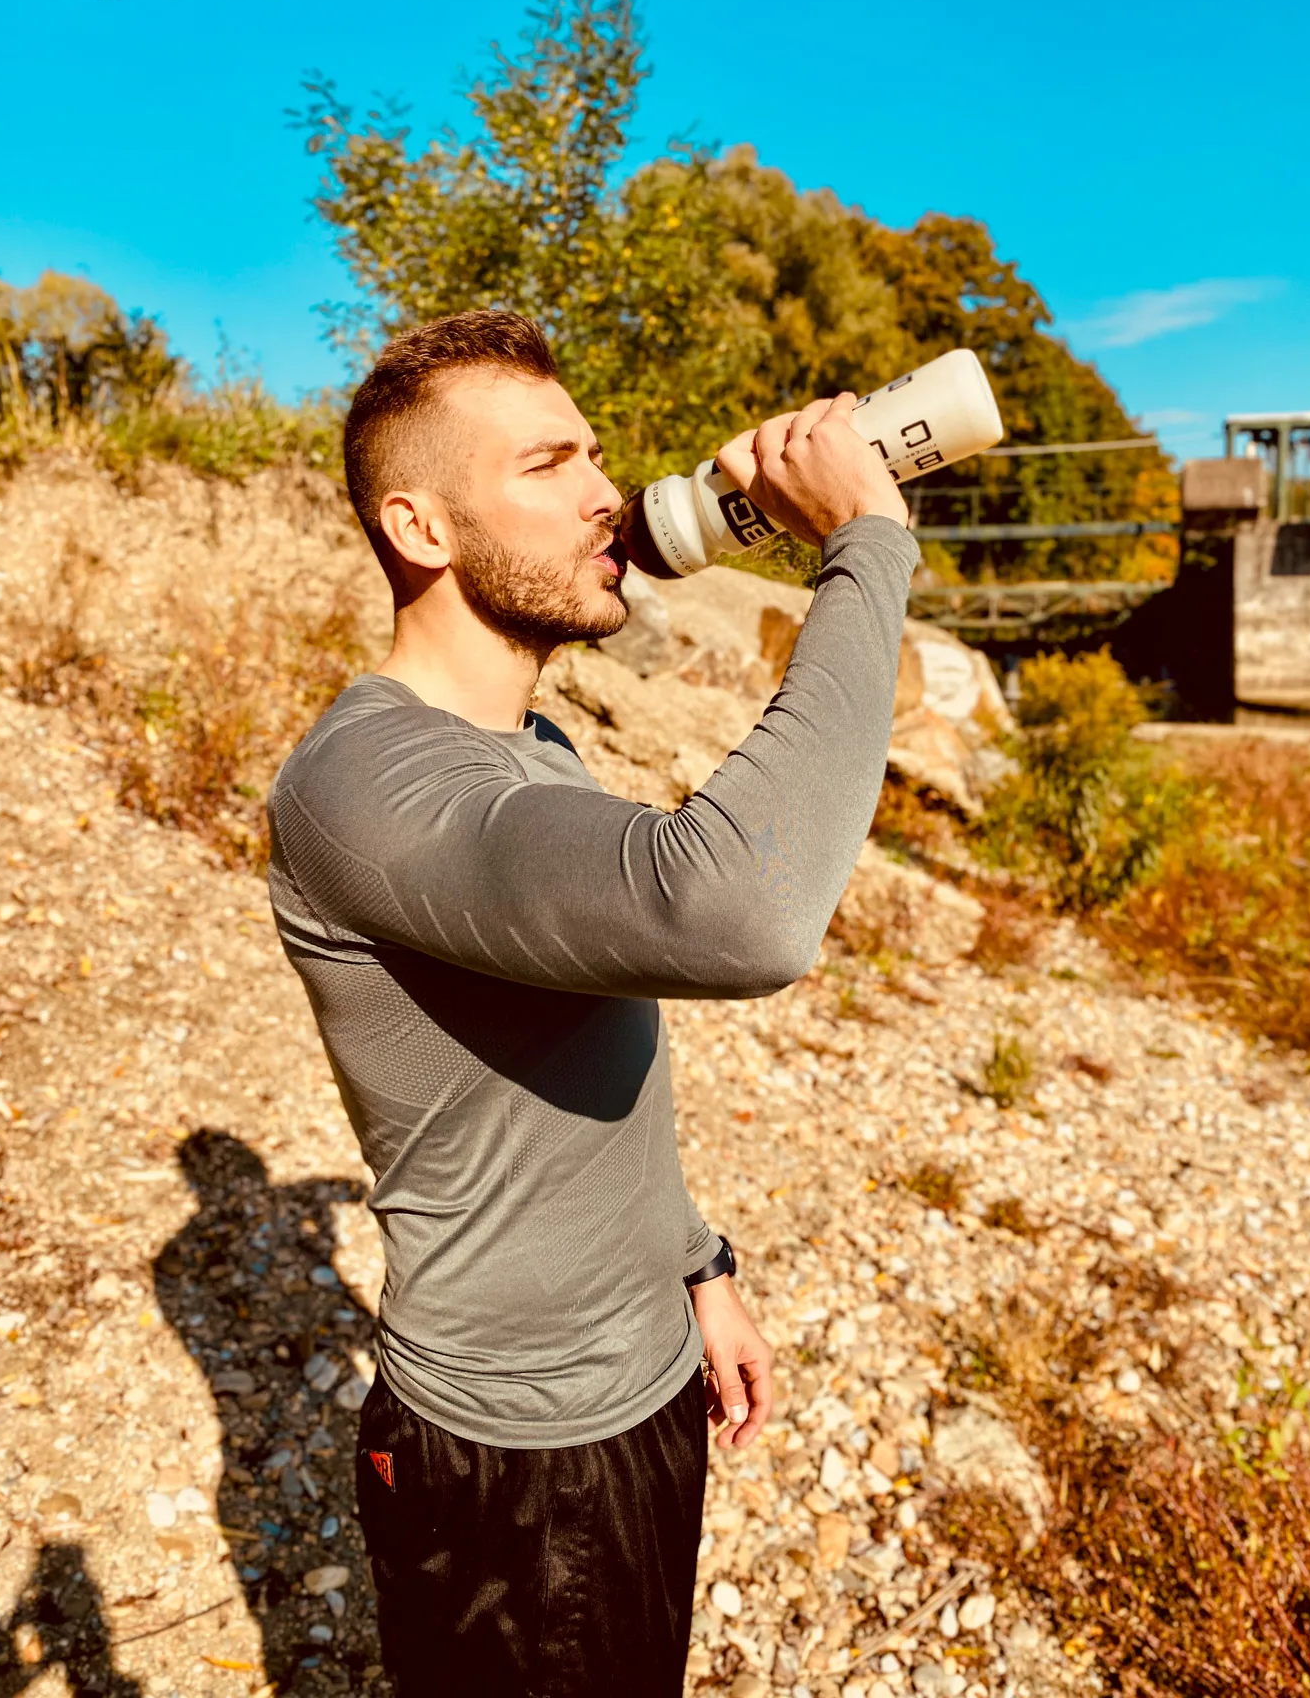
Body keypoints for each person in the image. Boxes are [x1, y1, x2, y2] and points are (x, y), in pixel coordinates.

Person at [267, 309, 916, 1696]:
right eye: (548, 464)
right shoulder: (366, 788)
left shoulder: (535, 746)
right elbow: (739, 907)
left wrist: (694, 1263)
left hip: (636, 1393)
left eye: (599, 456)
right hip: (518, 1458)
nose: (603, 495)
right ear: (423, 530)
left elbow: (575, 1062)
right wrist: (865, 546)